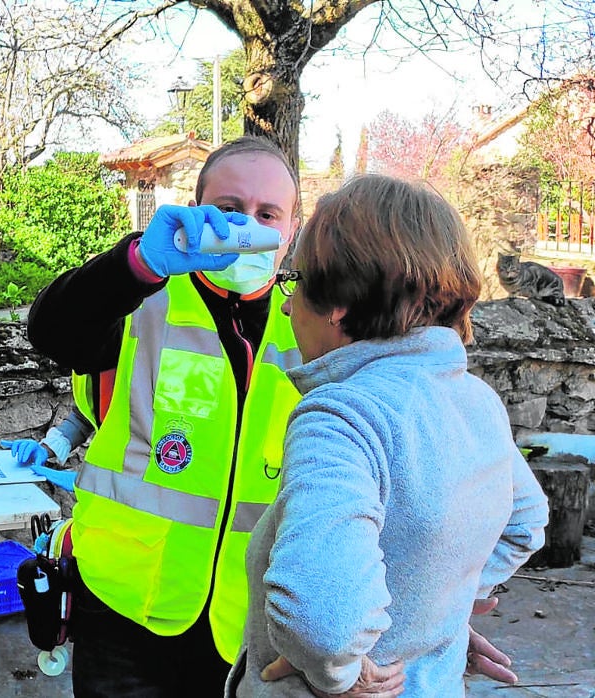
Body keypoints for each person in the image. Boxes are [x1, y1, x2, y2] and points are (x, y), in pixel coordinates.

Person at [230, 174, 549, 696]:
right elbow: (526, 520)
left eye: (297, 285)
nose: (287, 307)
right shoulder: (476, 400)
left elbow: (322, 621)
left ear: (340, 304)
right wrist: (435, 614)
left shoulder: (340, 416)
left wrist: (339, 672)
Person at [27, 135, 305, 695]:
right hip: (125, 606)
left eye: (266, 213)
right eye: (228, 209)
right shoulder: (142, 300)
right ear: (198, 209)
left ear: (291, 229)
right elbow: (52, 331)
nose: (244, 225)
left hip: (249, 621)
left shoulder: (308, 327)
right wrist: (140, 263)